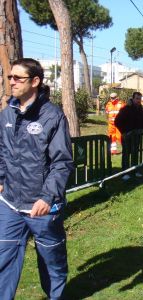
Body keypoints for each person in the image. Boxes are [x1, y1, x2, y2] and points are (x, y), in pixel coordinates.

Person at [0, 58, 74, 299]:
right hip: (10, 203)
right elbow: (2, 151)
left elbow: (62, 162)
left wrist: (46, 197)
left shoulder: (52, 117)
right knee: (3, 259)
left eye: (17, 78)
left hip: (42, 206)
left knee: (51, 260)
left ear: (35, 81)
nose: (11, 82)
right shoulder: (6, 115)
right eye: (10, 77)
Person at [115, 92, 143, 180]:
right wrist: (124, 132)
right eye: (137, 98)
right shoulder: (126, 108)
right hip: (127, 136)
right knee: (126, 154)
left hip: (137, 136)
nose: (138, 101)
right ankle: (125, 172)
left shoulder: (140, 109)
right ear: (133, 99)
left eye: (140, 99)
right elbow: (117, 121)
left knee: (135, 153)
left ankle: (135, 170)